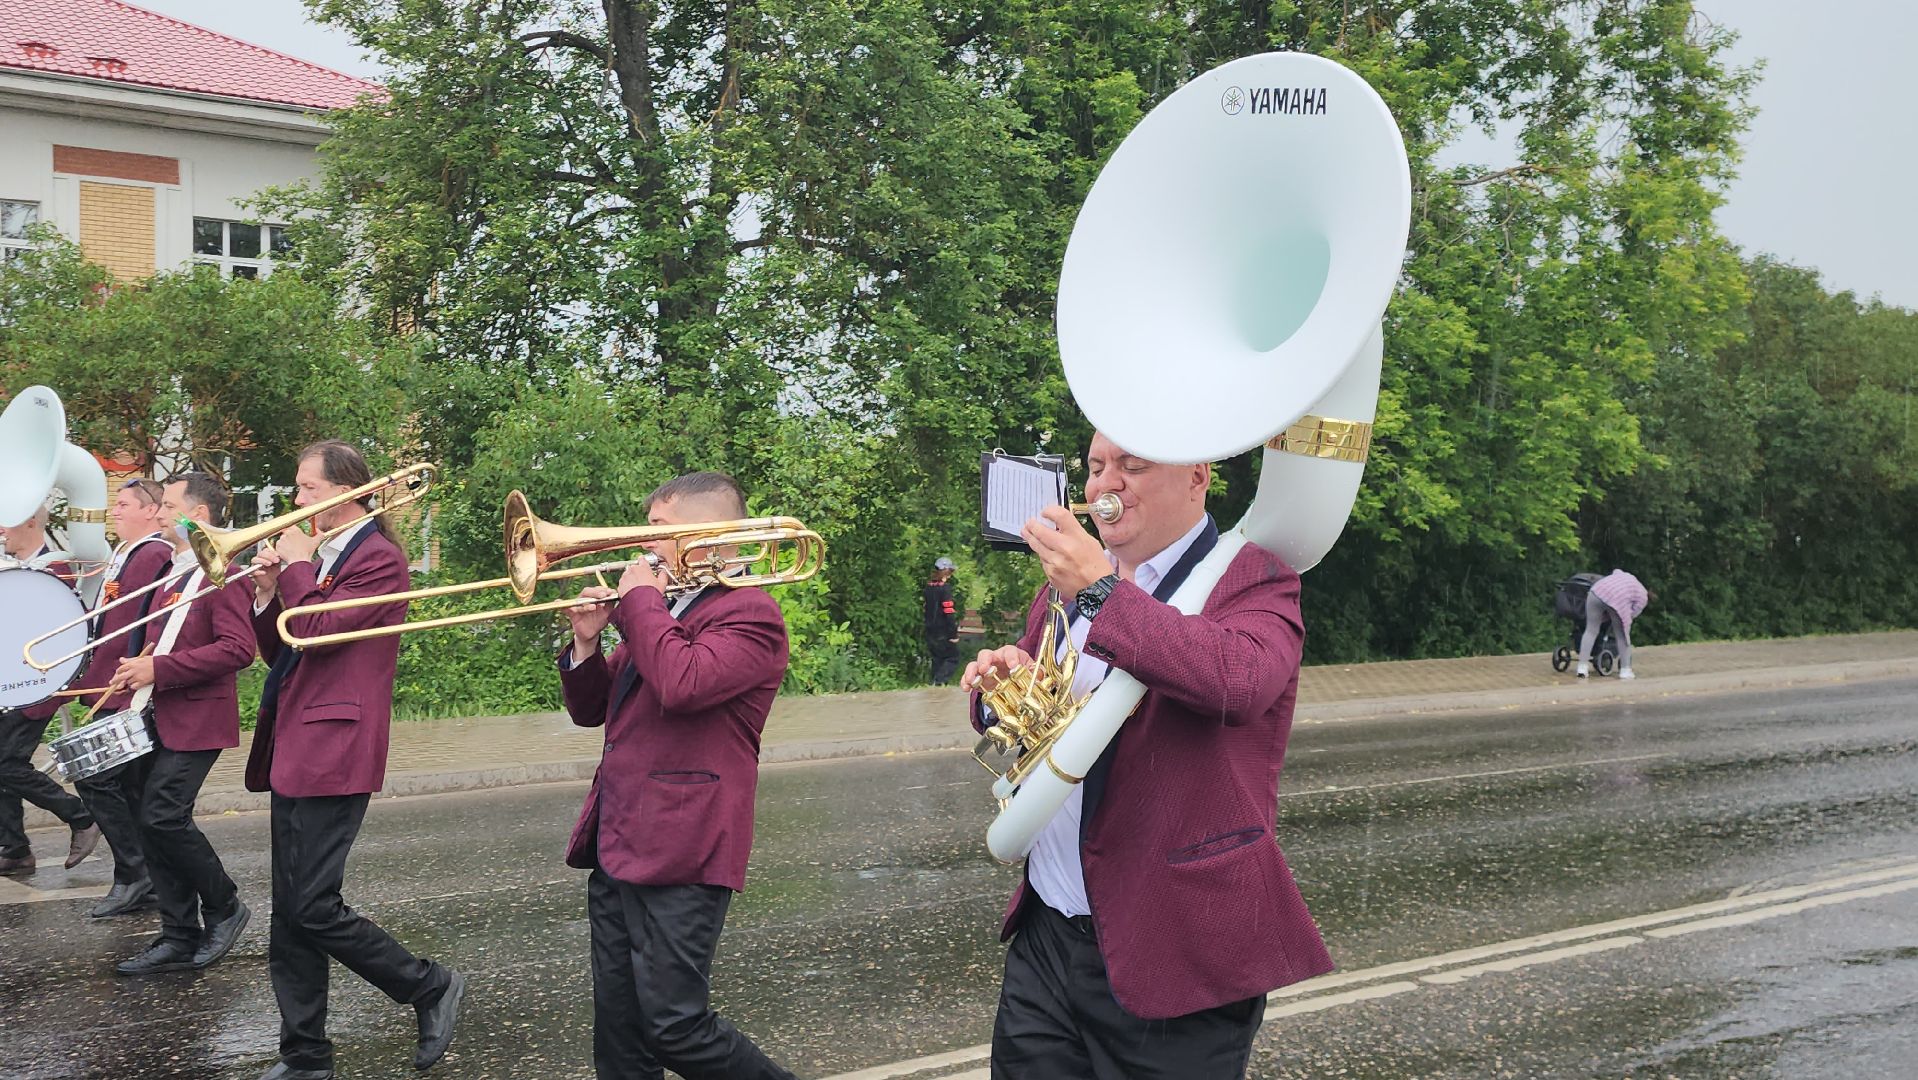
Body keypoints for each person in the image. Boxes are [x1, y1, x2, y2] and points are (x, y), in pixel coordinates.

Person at [961, 432, 1329, 1079]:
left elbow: (1237, 680)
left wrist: (1102, 593)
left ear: (1197, 476)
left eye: (1132, 466)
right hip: (1049, 938)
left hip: (1176, 952)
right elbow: (1039, 706)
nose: (1107, 485)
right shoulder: (1061, 591)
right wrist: (1001, 687)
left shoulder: (1256, 577)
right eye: (1098, 467)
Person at [559, 471, 797, 1080]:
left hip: (686, 847)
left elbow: (683, 683)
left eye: (658, 531)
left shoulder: (753, 615)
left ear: (712, 537)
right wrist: (587, 643)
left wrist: (639, 601)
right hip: (620, 838)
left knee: (676, 1027)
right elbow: (595, 710)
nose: (643, 543)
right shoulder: (668, 608)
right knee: (620, 1033)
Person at [247, 441, 463, 1080]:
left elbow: (319, 630)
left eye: (308, 488)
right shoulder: (323, 560)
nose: (297, 500)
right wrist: (267, 594)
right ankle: (305, 1055)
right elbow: (285, 647)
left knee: (312, 905)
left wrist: (293, 572)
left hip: (335, 747)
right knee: (290, 913)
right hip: (296, 745)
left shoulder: (379, 559)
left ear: (352, 493)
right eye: (298, 487)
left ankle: (427, 985)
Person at [106, 473, 257, 975]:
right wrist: (139, 667)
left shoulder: (221, 570)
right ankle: (177, 934)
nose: (161, 512)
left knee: (162, 816)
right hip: (156, 710)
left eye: (170, 505)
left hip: (197, 715)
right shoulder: (174, 570)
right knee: (149, 822)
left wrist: (159, 669)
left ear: (201, 516)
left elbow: (239, 649)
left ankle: (225, 906)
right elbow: (168, 642)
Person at [69, 477, 176, 916]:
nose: (115, 510)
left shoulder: (152, 553)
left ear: (151, 511)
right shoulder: (128, 553)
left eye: (125, 504)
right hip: (112, 681)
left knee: (94, 774)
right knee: (129, 786)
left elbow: (134, 623)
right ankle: (145, 877)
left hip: (124, 685)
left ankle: (135, 874)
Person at [0, 507, 103, 876]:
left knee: (7, 763)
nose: (1, 529)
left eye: (7, 520)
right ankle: (13, 847)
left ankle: (81, 817)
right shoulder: (15, 571)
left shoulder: (54, 572)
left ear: (30, 523)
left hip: (38, 686)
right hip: (14, 685)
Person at [1576, 568, 1651, 680]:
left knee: (1590, 630)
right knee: (1622, 636)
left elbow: (1615, 572)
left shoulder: (1624, 575)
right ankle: (1625, 670)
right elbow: (1631, 615)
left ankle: (1582, 667)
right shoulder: (1643, 596)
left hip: (1595, 592)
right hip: (1617, 599)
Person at [923, 556, 962, 685]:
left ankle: (934, 684)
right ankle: (939, 681)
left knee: (937, 659)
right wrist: (953, 634)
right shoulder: (945, 589)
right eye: (950, 571)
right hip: (943, 631)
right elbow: (948, 612)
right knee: (953, 658)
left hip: (930, 630)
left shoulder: (928, 587)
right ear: (946, 571)